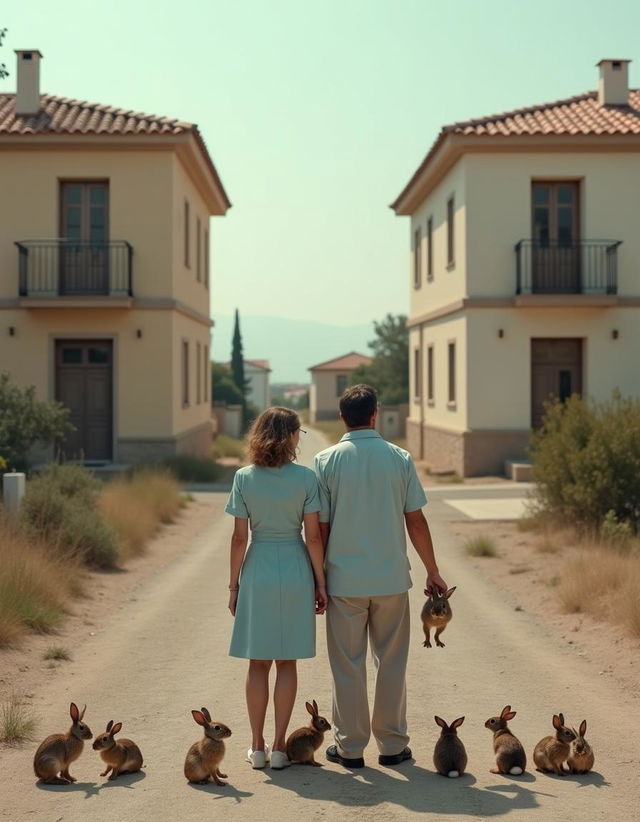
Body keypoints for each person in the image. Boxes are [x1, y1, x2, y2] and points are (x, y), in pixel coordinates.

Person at [314, 384, 447, 769]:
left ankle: (350, 747)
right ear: (376, 414)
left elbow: (320, 528)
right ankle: (392, 746)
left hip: (344, 582)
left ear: (342, 417)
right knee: (391, 662)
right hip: (390, 580)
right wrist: (433, 570)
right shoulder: (400, 458)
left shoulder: (325, 461)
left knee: (347, 664)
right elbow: (415, 520)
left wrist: (319, 578)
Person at [226, 406, 328, 771]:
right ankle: (281, 747)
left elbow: (239, 539)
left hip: (258, 567)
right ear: (290, 436)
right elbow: (313, 536)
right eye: (299, 431)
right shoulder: (305, 478)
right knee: (287, 661)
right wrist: (320, 582)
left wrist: (234, 585)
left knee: (258, 662)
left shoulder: (243, 478)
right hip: (296, 566)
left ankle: (256, 748)